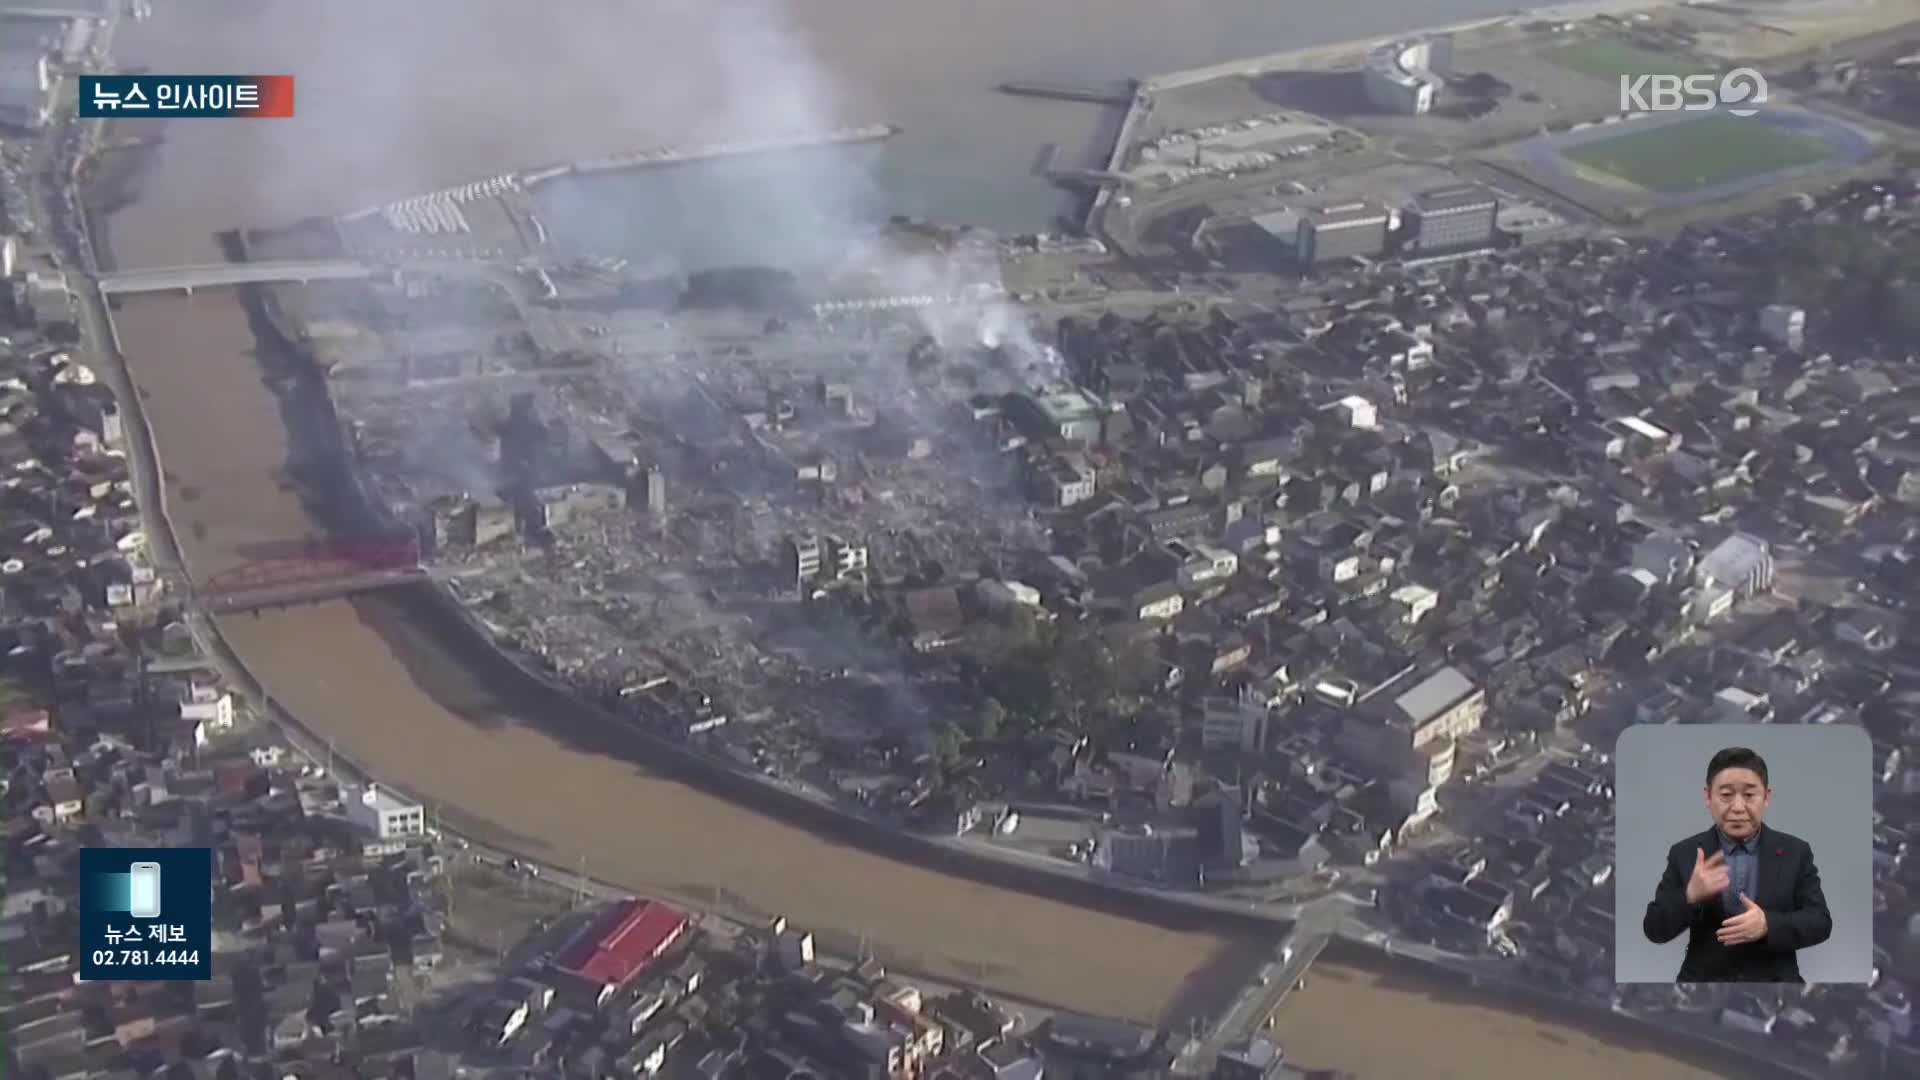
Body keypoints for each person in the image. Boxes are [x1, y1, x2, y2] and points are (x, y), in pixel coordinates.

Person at [1642, 746, 1832, 982]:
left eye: (1750, 795)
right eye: (1726, 795)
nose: (1738, 807)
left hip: (1776, 989)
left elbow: (1820, 922)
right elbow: (1655, 929)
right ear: (1708, 797)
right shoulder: (1686, 853)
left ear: (1766, 798)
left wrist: (1768, 925)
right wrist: (1689, 896)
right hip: (1703, 990)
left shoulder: (1795, 852)